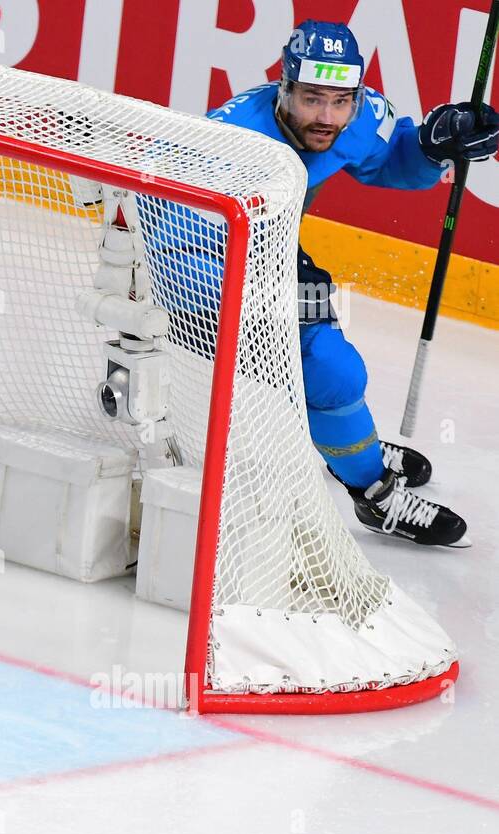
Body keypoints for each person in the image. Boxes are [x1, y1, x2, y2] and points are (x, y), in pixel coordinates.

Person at [204, 19, 496, 548]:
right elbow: (168, 224)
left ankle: (352, 442)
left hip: (274, 253)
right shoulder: (231, 141)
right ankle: (373, 491)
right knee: (330, 368)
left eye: (340, 101)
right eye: (312, 99)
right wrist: (252, 307)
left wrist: (432, 146)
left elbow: (387, 160)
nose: (327, 117)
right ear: (284, 88)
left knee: (328, 364)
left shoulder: (355, 116)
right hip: (198, 262)